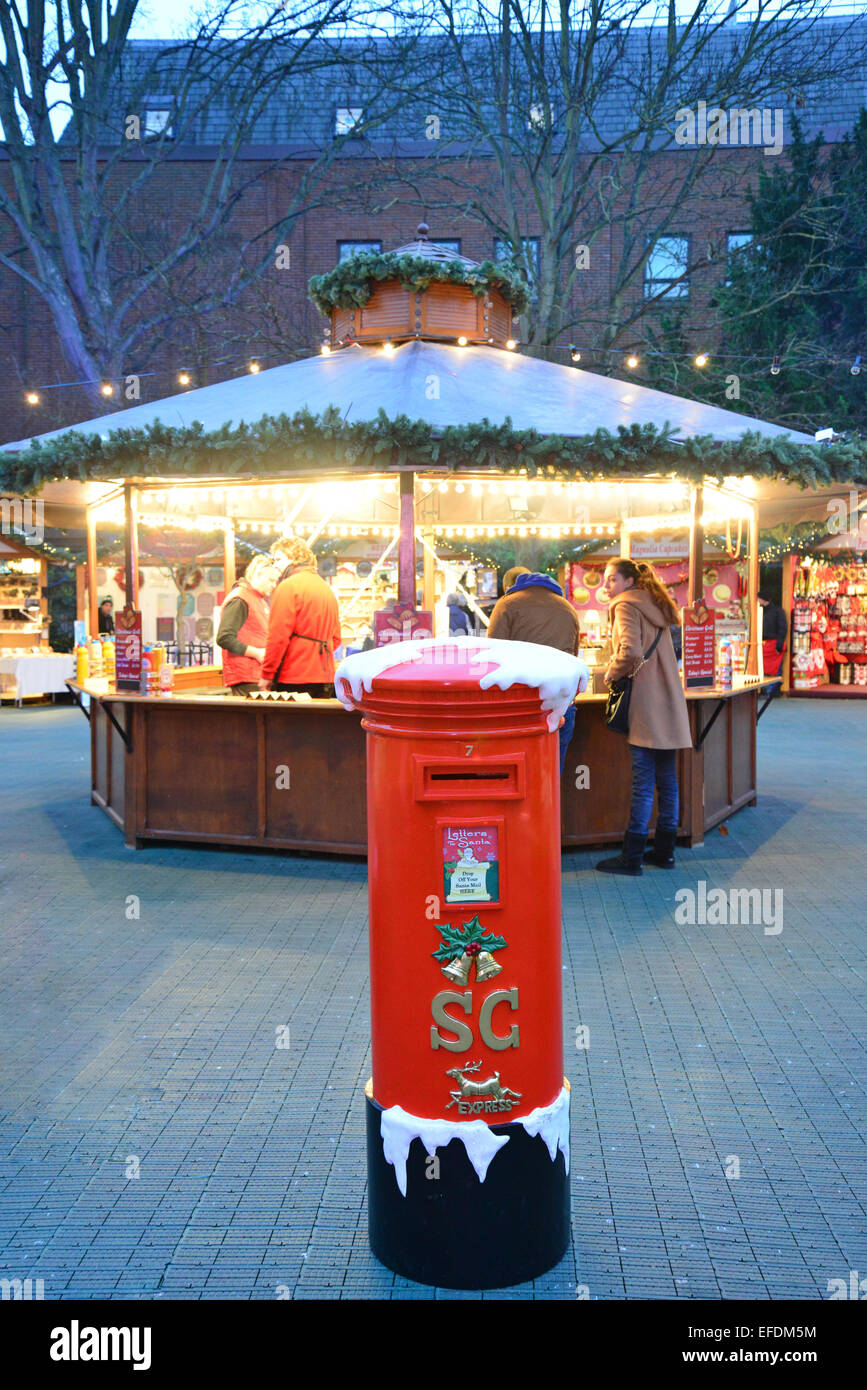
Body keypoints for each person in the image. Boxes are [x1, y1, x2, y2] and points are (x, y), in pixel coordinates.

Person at [597, 559, 691, 876]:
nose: (606, 586)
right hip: (669, 702)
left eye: (611, 580)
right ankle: (665, 853)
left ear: (627, 582)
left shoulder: (624, 606)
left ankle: (632, 856)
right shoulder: (657, 603)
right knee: (667, 782)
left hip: (645, 704)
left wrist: (611, 674)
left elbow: (631, 651)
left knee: (642, 783)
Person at [488, 565, 586, 774]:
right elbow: (573, 657)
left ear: (509, 587)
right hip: (562, 704)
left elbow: (492, 656)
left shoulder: (507, 604)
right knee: (552, 776)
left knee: (520, 775)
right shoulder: (567, 607)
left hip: (521, 705)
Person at [260, 537, 342, 697]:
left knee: (291, 723)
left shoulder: (288, 587)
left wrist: (267, 675)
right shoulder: (327, 589)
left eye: (278, 559)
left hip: (294, 676)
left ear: (294, 558)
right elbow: (336, 638)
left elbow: (277, 637)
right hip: (326, 675)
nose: (275, 564)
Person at [217, 554, 280, 695]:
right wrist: (257, 653)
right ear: (257, 574)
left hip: (256, 673)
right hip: (246, 676)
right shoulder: (240, 599)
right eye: (271, 580)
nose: (274, 585)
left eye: (276, 581)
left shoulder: (258, 599)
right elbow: (224, 637)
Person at [759, 590, 788, 681]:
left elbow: (782, 628)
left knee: (775, 670)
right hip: (763, 644)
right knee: (764, 670)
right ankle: (766, 692)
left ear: (763, 599)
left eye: (758, 598)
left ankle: (772, 691)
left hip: (774, 644)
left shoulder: (777, 611)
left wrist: (779, 644)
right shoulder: (760, 611)